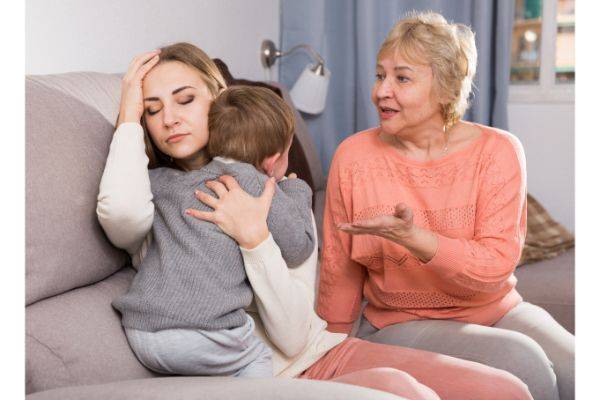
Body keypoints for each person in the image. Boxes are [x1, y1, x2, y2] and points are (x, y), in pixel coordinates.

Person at [97, 41, 533, 399]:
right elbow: (120, 213)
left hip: (321, 349)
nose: (169, 118)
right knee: (406, 393)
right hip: (278, 373)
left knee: (504, 390)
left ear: (220, 99)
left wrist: (259, 231)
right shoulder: (157, 193)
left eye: (185, 99)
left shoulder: (278, 189)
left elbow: (298, 326)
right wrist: (128, 118)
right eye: (152, 109)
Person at [316, 11, 574, 400]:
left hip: (497, 307)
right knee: (524, 363)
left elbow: (494, 266)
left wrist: (416, 238)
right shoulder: (353, 157)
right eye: (379, 75)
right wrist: (329, 351)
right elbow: (340, 268)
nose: (382, 91)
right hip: (399, 322)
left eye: (402, 78)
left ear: (447, 88)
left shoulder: (498, 151)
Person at [111, 85, 316, 378]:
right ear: (273, 160)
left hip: (140, 332)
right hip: (200, 336)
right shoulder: (259, 186)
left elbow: (127, 187)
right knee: (257, 357)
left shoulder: (162, 181)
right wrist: (296, 188)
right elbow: (299, 247)